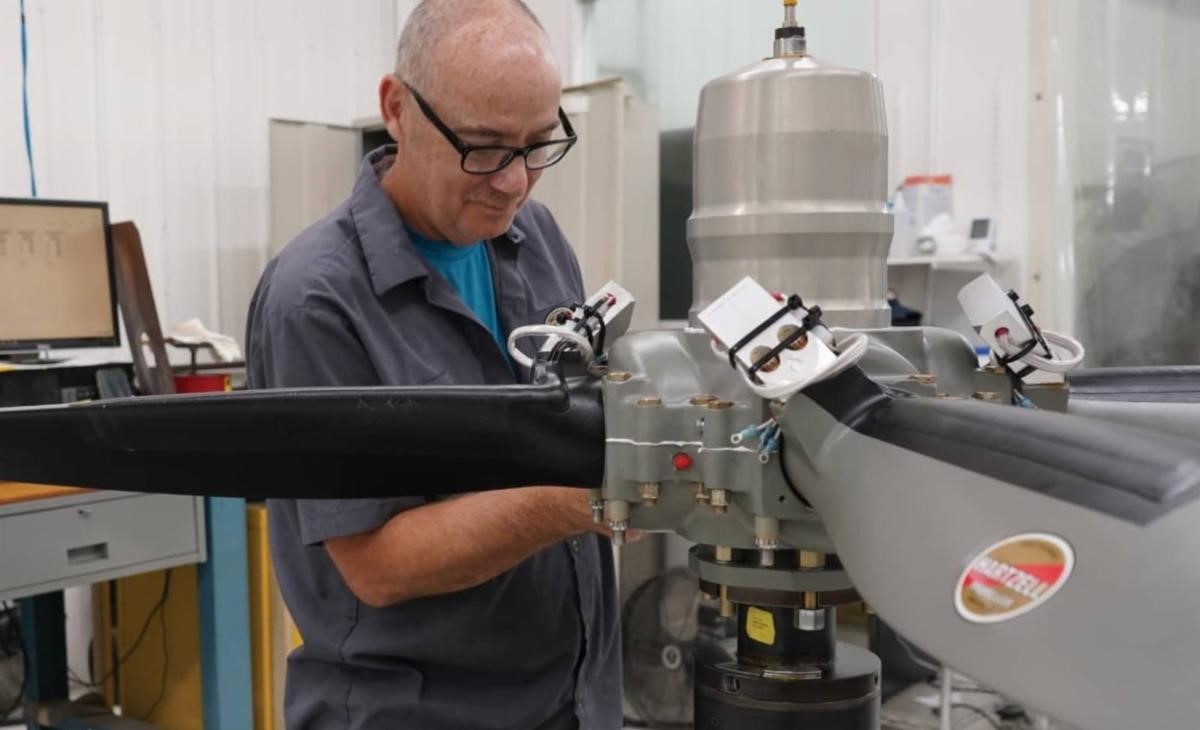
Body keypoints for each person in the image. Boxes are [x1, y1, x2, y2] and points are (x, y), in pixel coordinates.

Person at [243, 2, 621, 728]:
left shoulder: (533, 237)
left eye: (539, 143)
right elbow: (375, 566)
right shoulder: (314, 300)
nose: (514, 182)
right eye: (483, 147)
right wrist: (591, 498)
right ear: (397, 109)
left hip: (574, 700)